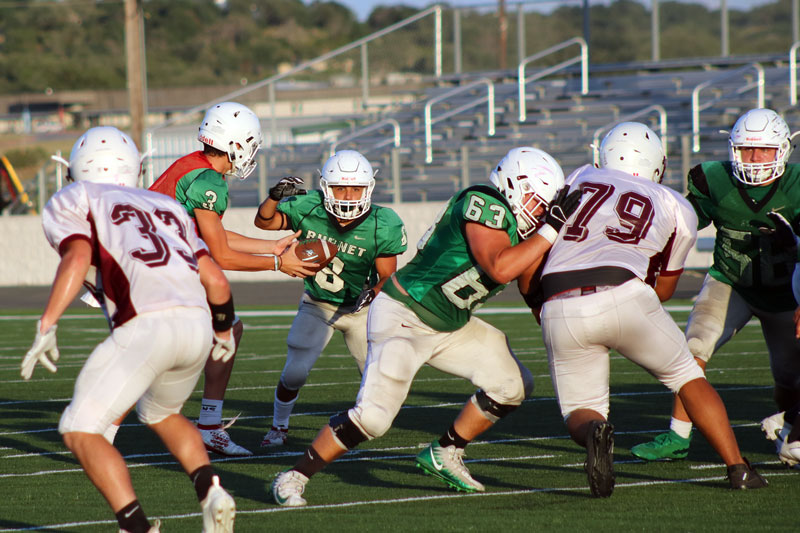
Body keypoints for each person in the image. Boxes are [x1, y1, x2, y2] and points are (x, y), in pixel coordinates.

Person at [269, 146, 583, 507]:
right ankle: (294, 477)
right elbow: (499, 268)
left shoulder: (521, 228)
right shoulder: (483, 201)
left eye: (547, 207)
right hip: (405, 314)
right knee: (372, 418)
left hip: (450, 324)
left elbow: (529, 281)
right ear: (513, 183)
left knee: (512, 384)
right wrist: (551, 229)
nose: (542, 212)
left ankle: (446, 451)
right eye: (537, 201)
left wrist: (557, 320)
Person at [528, 122, 767, 497]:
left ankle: (595, 434)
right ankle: (738, 468)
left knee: (581, 409)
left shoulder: (579, 176)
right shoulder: (676, 205)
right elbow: (666, 289)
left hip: (560, 300)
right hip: (624, 291)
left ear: (603, 154)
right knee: (688, 377)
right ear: (658, 163)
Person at [20, 126, 237, 532]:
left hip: (146, 324)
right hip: (197, 325)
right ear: (134, 167)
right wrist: (223, 331)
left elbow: (78, 252)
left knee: (78, 427)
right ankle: (212, 490)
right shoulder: (165, 205)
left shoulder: (77, 195)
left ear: (77, 169)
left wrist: (48, 321)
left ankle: (135, 527)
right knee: (162, 412)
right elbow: (217, 281)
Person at [142, 101, 316, 457]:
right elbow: (220, 254)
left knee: (226, 330)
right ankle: (203, 425)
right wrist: (277, 263)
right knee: (169, 348)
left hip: (150, 261)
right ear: (237, 144)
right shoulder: (208, 180)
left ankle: (207, 424)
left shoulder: (193, 165)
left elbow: (214, 235)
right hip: (155, 269)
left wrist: (272, 245)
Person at [630, 108, 800, 462]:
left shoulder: (796, 186)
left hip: (786, 292)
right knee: (691, 350)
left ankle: (788, 423)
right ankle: (677, 436)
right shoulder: (715, 181)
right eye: (747, 150)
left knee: (788, 376)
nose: (754, 159)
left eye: (764, 150)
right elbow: (682, 223)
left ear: (782, 150)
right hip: (731, 283)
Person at [253, 150, 407, 446]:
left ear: (368, 189)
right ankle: (278, 427)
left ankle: (360, 426)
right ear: (326, 187)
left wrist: (373, 294)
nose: (348, 195)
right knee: (294, 372)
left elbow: (387, 275)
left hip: (361, 310)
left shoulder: (382, 222)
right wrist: (273, 197)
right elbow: (265, 222)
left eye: (355, 188)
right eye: (340, 188)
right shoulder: (310, 206)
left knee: (375, 378)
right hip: (318, 304)